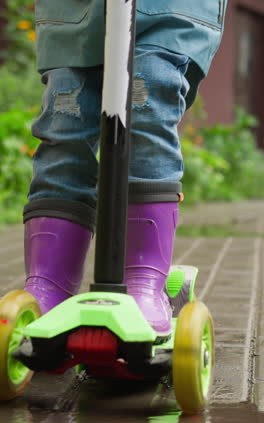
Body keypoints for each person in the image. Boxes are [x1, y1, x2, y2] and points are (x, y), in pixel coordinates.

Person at [23, 0, 228, 338]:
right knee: (65, 122)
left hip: (167, 9)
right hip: (75, 11)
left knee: (146, 99)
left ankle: (144, 280)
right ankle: (49, 282)